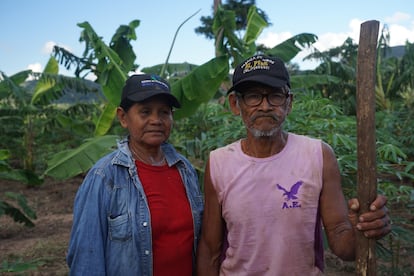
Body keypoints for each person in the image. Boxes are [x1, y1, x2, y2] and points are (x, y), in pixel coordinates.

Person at [196, 55, 391, 275]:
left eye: (275, 96)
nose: (265, 106)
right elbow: (210, 248)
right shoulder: (220, 162)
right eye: (253, 97)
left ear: (289, 103)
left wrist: (364, 228)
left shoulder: (318, 155)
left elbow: (341, 242)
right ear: (235, 104)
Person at [67, 74, 204, 275]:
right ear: (123, 117)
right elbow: (86, 259)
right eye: (145, 112)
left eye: (164, 112)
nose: (156, 120)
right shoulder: (105, 177)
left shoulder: (184, 170)